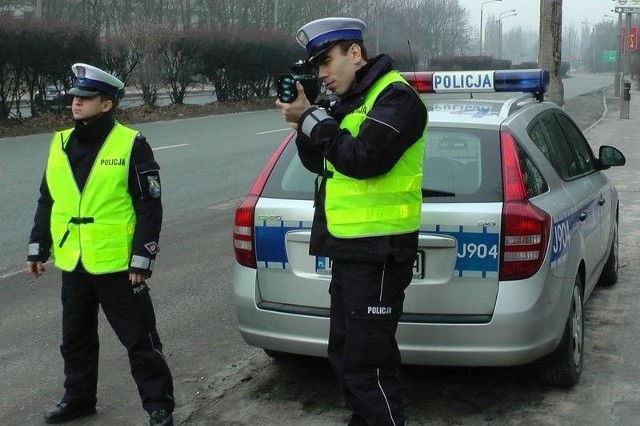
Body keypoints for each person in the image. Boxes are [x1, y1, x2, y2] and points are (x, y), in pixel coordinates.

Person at [275, 17, 427, 426]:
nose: (321, 74)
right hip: (350, 250)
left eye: (326, 62)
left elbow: (364, 160)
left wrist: (313, 120)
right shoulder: (351, 103)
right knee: (345, 355)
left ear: (355, 53)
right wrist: (303, 124)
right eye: (317, 65)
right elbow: (323, 162)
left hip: (378, 251)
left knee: (367, 367)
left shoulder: (396, 99)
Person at [27, 63, 175, 426]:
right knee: (74, 338)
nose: (76, 103)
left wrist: (143, 257)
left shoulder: (131, 143)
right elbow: (49, 199)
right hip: (74, 260)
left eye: (85, 98)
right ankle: (78, 398)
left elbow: (149, 205)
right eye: (74, 97)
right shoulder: (60, 142)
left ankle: (159, 406)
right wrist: (38, 245)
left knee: (140, 340)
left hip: (119, 266)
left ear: (106, 104)